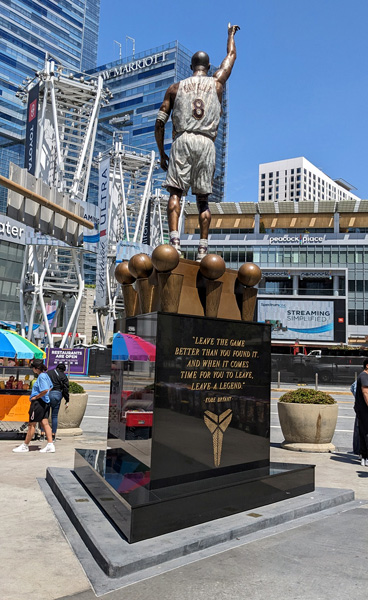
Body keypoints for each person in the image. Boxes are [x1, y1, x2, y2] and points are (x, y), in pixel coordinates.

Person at [155, 23, 240, 261]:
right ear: (208, 67)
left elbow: (159, 122)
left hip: (182, 141)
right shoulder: (217, 83)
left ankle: (174, 244)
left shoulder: (175, 88)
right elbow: (231, 56)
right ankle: (203, 250)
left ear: (191, 67)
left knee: (175, 193)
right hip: (206, 143)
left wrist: (162, 152)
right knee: (203, 200)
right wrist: (230, 34)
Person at [12, 359, 55, 453]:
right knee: (45, 423)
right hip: (44, 402)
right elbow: (50, 387)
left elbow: (45, 390)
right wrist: (44, 396)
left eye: (33, 368)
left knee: (32, 424)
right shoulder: (46, 375)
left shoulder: (41, 377)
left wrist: (36, 397)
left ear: (36, 369)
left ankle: (25, 445)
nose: (32, 370)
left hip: (38, 403)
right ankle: (50, 444)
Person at [47, 362, 69, 442]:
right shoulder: (63, 376)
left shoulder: (48, 373)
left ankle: (42, 433)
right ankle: (53, 434)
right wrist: (67, 399)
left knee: (45, 415)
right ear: (63, 370)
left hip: (48, 393)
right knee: (54, 416)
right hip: (57, 394)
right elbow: (66, 389)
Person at [354, 358, 368, 467]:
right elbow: (365, 392)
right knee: (365, 432)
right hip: (364, 409)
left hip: (362, 409)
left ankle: (363, 454)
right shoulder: (364, 376)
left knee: (364, 432)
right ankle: (364, 456)